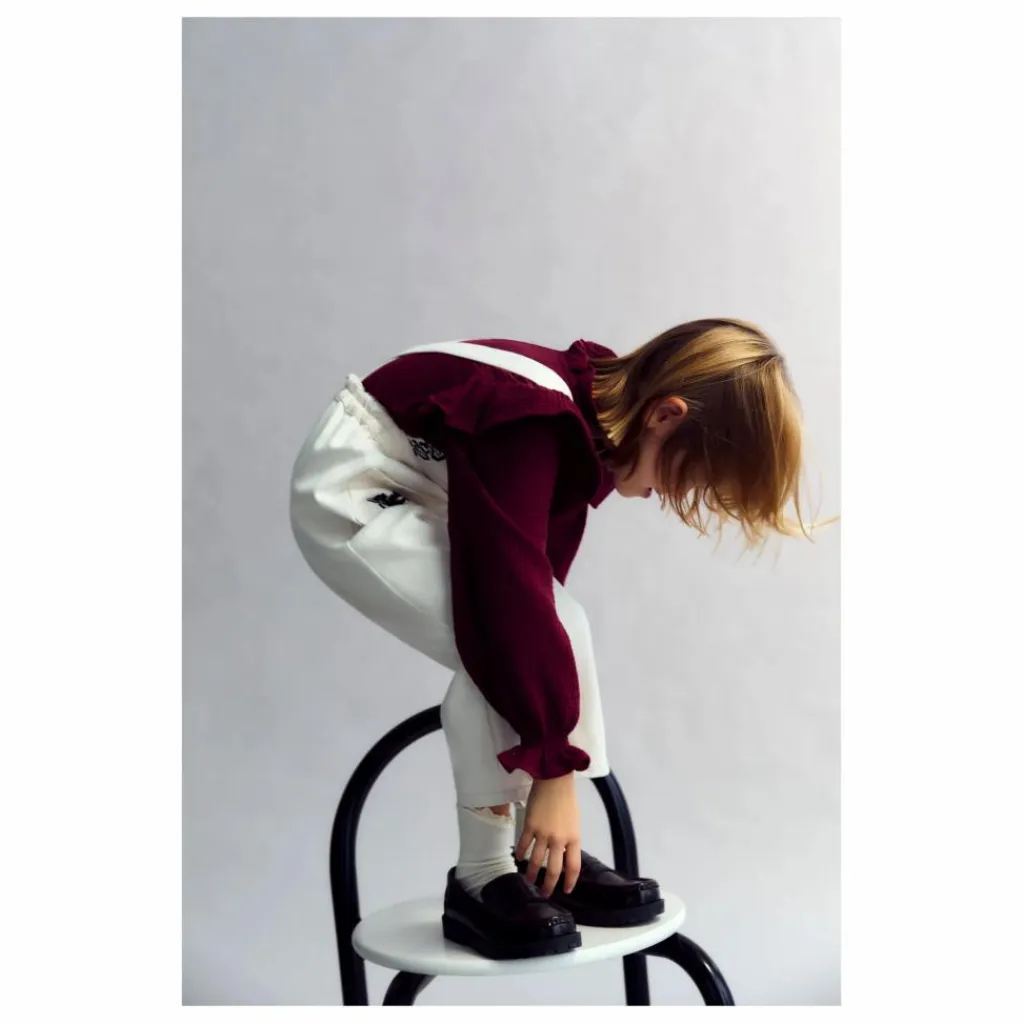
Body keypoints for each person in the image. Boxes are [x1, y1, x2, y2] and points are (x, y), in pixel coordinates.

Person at [289, 318, 813, 960]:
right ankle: (482, 876)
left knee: (552, 628)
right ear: (665, 416)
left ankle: (543, 861)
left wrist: (552, 749)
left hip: (422, 485)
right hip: (355, 491)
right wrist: (553, 770)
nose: (680, 495)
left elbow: (535, 581)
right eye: (695, 476)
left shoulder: (585, 420)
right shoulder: (533, 415)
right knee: (502, 637)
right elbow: (506, 597)